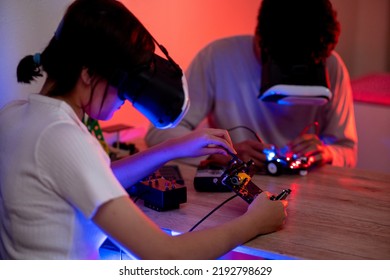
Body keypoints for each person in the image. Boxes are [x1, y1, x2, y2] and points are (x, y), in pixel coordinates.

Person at [0, 0, 287, 260]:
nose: (125, 100)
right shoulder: (63, 138)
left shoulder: (15, 116)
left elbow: (97, 178)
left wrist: (175, 147)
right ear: (87, 73)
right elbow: (163, 256)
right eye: (123, 88)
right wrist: (253, 223)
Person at [146, 0, 358, 170]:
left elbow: (347, 150)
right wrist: (224, 152)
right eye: (283, 64)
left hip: (314, 193)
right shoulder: (218, 58)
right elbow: (159, 133)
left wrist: (328, 153)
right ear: (258, 37)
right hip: (238, 188)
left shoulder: (331, 66)